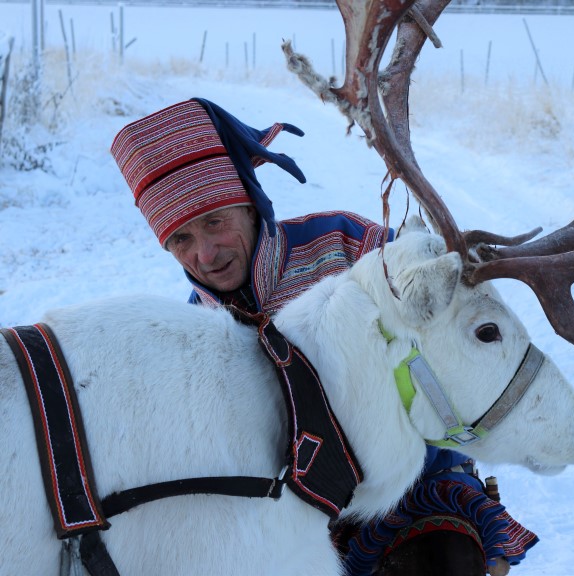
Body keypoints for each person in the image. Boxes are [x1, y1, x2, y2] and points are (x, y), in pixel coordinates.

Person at [112, 98, 537, 575]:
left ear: (251, 205)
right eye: (181, 240)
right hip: (291, 518)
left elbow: (452, 327)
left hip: (415, 484)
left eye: (215, 222)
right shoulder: (194, 337)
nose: (206, 254)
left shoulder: (346, 245)